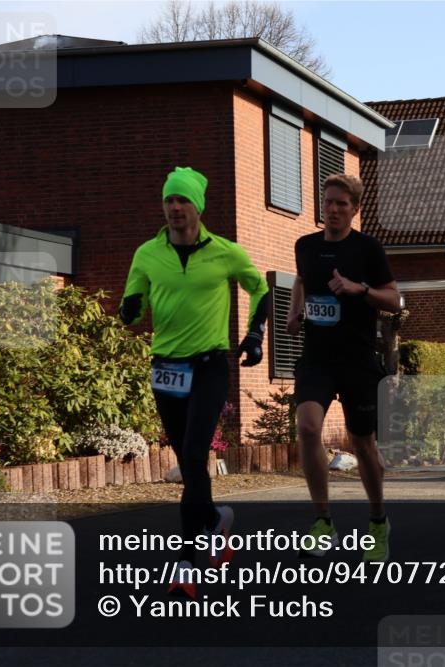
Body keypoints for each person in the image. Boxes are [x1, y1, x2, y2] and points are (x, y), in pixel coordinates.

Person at [120, 166, 270, 599]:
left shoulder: (225, 252)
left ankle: (187, 560)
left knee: (193, 451)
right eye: (169, 200)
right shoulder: (147, 253)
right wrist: (130, 308)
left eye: (182, 200)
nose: (175, 207)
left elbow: (260, 289)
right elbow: (133, 302)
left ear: (198, 207)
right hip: (166, 368)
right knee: (188, 463)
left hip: (209, 366)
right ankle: (216, 519)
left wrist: (255, 335)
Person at [286, 173, 400, 563]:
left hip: (357, 360)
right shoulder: (305, 245)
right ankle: (323, 522)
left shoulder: (368, 248)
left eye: (341, 204)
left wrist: (359, 289)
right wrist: (294, 311)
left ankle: (378, 521)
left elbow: (394, 300)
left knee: (363, 444)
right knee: (307, 428)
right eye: (328, 202)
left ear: (355, 209)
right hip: (316, 358)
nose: (333, 209)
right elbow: (301, 280)